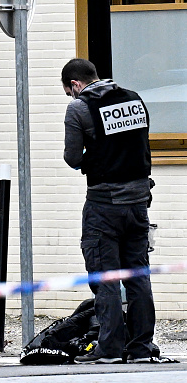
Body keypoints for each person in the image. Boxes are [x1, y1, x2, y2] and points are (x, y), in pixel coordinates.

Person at [60, 58, 156, 364]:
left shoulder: (79, 108)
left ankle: (111, 349)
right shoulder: (133, 99)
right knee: (138, 276)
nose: (71, 97)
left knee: (106, 278)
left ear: (75, 85)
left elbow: (72, 157)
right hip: (139, 202)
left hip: (104, 205)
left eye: (69, 91)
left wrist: (90, 156)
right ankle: (141, 348)